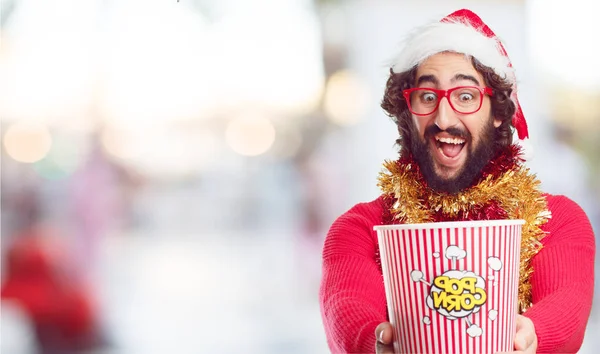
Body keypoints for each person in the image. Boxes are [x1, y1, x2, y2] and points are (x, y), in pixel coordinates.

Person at [319, 9, 595, 354]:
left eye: (465, 96)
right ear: (408, 113)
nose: (444, 118)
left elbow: (565, 300)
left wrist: (533, 335)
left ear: (497, 112)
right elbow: (347, 303)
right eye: (427, 97)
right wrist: (374, 342)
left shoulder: (557, 220)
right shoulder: (360, 228)